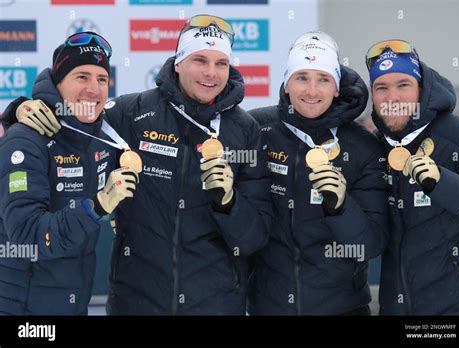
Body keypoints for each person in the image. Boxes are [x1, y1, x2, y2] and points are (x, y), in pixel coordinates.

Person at [6, 15, 272, 315]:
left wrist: (229, 203)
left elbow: (255, 237)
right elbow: (73, 119)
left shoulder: (245, 131)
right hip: (137, 302)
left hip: (216, 305)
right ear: (178, 62)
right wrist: (18, 110)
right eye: (200, 60)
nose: (211, 73)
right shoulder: (130, 114)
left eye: (221, 63)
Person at [247, 31, 388, 315]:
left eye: (323, 79)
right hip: (269, 307)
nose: (311, 91)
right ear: (287, 83)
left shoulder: (362, 145)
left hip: (342, 308)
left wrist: (340, 207)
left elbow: (370, 245)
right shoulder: (256, 129)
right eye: (302, 78)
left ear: (337, 87)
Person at [0, 32, 139, 315]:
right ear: (58, 82)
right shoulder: (25, 140)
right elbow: (27, 236)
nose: (93, 88)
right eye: (81, 77)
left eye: (102, 79)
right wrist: (97, 207)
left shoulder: (103, 135)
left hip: (72, 304)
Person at [366, 39, 459, 315]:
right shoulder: (373, 149)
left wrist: (444, 184)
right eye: (382, 88)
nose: (392, 98)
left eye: (403, 85)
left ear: (422, 89)